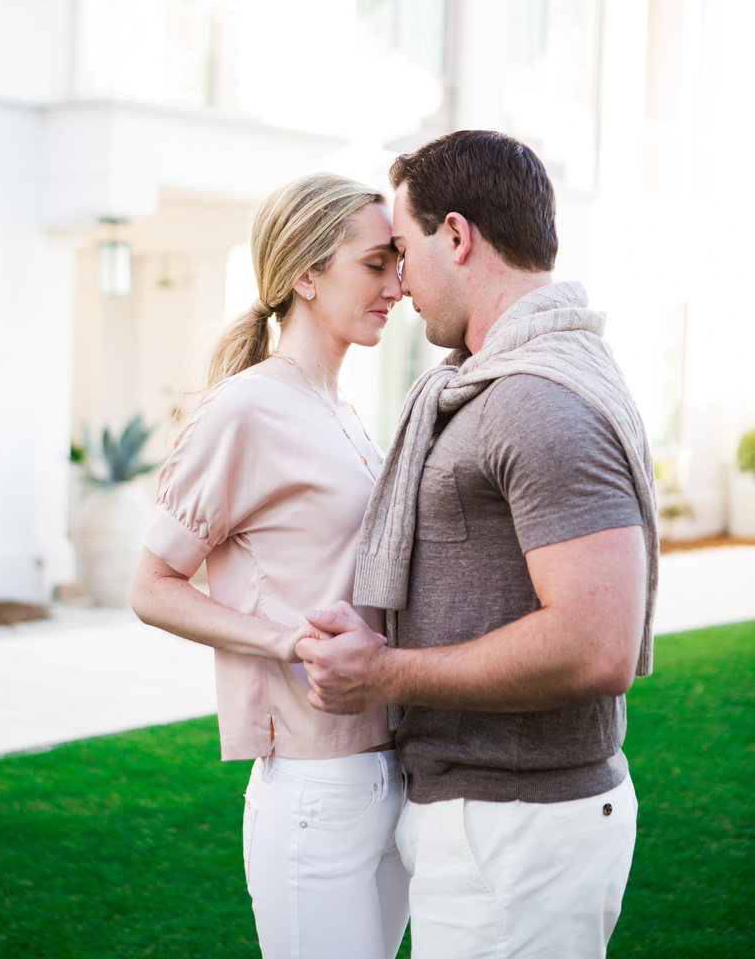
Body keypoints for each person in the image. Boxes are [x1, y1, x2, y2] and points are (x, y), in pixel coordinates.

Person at [296, 130, 660, 959]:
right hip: (496, 823)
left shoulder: (537, 401)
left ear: (456, 237)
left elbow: (595, 644)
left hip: (517, 831)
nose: (400, 282)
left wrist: (382, 673)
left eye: (403, 248)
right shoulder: (494, 383)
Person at [129, 172, 410, 959]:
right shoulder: (245, 408)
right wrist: (287, 641)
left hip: (390, 772)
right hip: (314, 787)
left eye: (398, 262)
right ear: (306, 275)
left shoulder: (346, 411)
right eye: (376, 263)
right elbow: (151, 586)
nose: (398, 284)